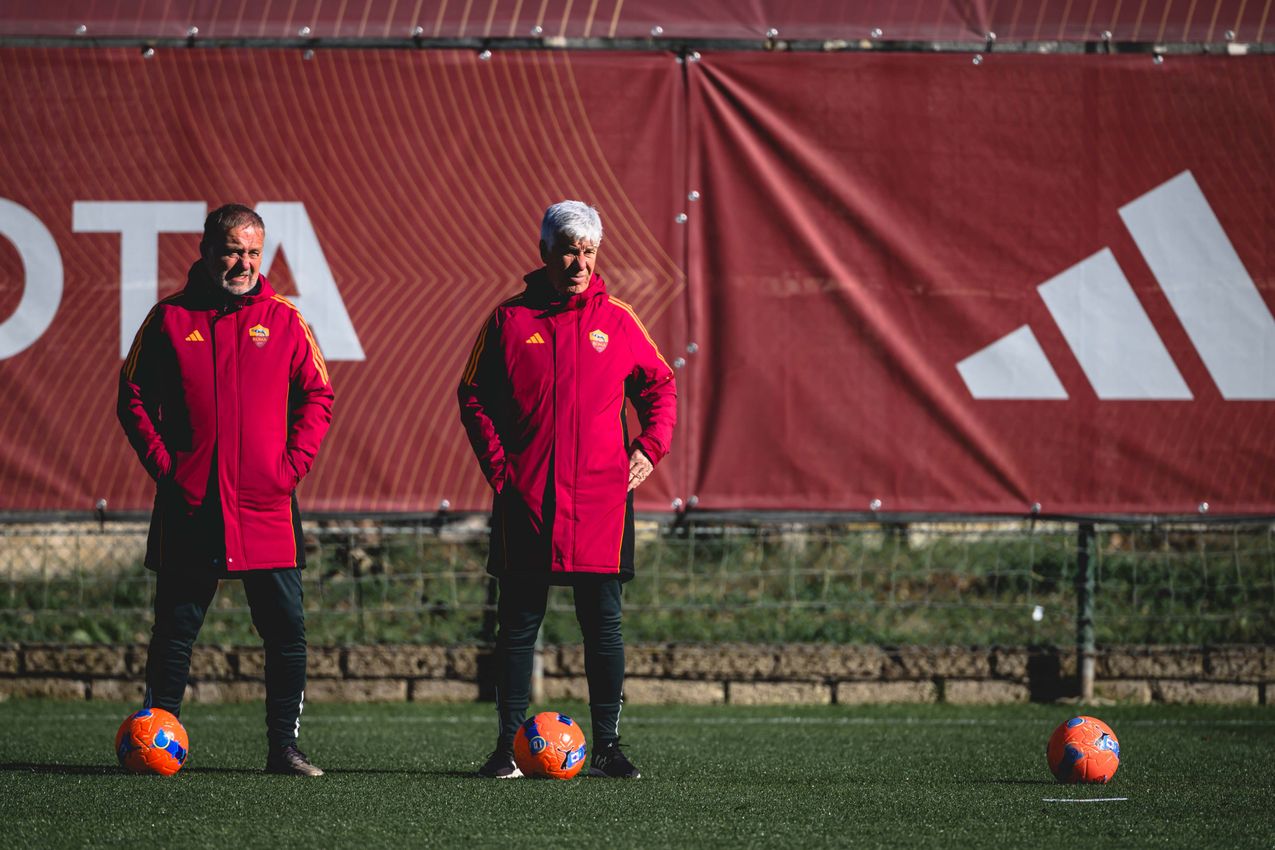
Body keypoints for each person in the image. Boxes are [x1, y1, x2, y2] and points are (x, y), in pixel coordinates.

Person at [458, 200, 677, 779]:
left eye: (587, 252)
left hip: (601, 503)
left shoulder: (620, 320)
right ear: (544, 253)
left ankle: (606, 745)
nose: (578, 263)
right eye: (567, 251)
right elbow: (472, 395)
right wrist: (503, 470)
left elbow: (661, 387)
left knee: (602, 624)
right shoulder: (509, 320)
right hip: (526, 502)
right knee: (519, 624)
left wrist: (649, 448)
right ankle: (507, 746)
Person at [118, 204, 334, 776]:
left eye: (253, 252)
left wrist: (289, 468)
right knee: (175, 631)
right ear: (207, 250)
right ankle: (155, 740)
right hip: (190, 507)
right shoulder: (167, 318)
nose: (243, 262)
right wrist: (169, 467)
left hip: (267, 507)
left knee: (286, 632)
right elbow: (132, 397)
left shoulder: (285, 320)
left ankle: (283, 748)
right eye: (233, 250)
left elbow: (319, 396)